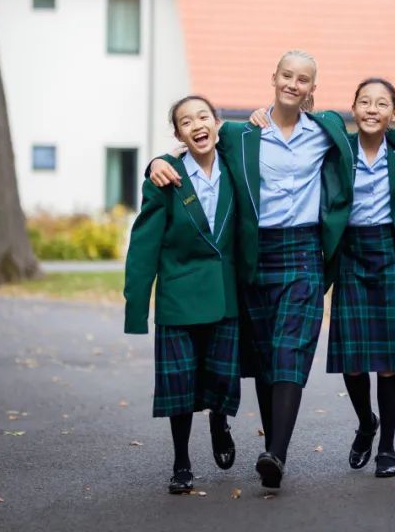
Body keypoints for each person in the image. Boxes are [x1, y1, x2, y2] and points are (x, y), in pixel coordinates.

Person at [147, 51, 395, 490]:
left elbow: (375, 127)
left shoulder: (326, 129)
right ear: (273, 78)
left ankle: (277, 452)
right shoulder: (241, 132)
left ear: (313, 87)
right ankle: (273, 443)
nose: (294, 83)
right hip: (258, 253)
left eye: (303, 79)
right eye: (287, 75)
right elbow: (196, 145)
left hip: (305, 251)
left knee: (292, 348)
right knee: (267, 355)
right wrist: (156, 162)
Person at [123, 95, 240, 494]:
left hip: (225, 292)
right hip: (178, 295)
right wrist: (136, 308)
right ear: (177, 134)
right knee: (180, 386)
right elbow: (143, 244)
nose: (197, 125)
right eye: (186, 122)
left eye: (204, 116)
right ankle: (181, 461)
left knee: (222, 376)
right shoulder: (165, 177)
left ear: (218, 122)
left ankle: (220, 420)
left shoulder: (236, 166)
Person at [327, 78, 395, 478]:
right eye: (364, 102)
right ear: (352, 109)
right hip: (350, 253)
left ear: (394, 114)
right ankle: (367, 422)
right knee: (353, 361)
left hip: (392, 253)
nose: (371, 109)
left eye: (381, 104)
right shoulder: (337, 149)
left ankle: (387, 447)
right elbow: (314, 118)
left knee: (388, 363)